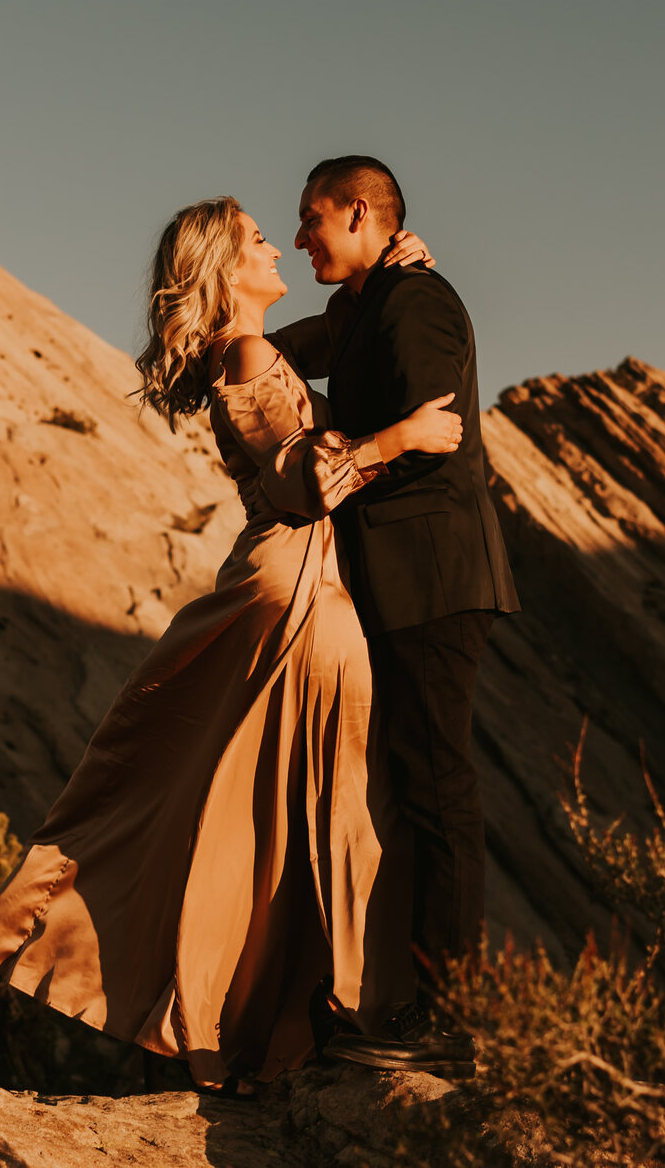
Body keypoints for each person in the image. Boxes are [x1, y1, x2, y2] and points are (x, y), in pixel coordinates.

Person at [0, 197, 460, 1091]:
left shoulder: (255, 346)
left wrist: (387, 269)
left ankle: (275, 1020)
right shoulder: (249, 352)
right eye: (263, 239)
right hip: (302, 584)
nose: (282, 247)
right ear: (227, 267)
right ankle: (339, 1017)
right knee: (335, 805)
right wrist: (404, 436)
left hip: (290, 583)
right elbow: (309, 484)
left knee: (270, 806)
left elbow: (329, 339)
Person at [270, 155, 520, 1077]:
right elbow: (295, 350)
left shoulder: (415, 301)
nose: (300, 238)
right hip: (407, 577)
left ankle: (451, 1017)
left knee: (439, 786)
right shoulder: (369, 302)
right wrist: (226, 332)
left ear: (362, 210)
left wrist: (352, 459)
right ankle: (413, 1003)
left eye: (312, 219)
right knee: (416, 788)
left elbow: (433, 430)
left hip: (433, 576)